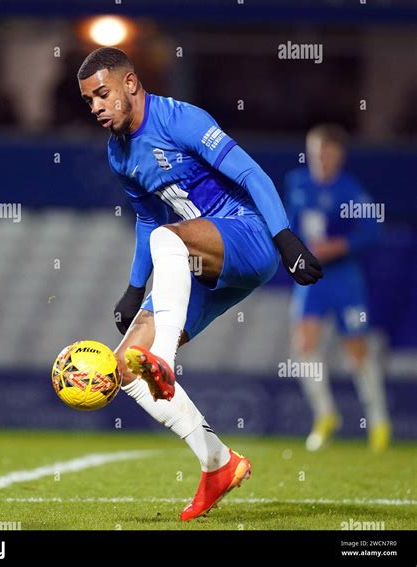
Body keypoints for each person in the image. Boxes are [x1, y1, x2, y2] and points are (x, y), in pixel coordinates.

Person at [77, 47, 322, 521]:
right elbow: (150, 221)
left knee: (170, 251)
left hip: (247, 234)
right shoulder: (118, 154)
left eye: (102, 95)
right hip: (201, 258)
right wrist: (133, 289)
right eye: (89, 101)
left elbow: (251, 172)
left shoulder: (181, 120)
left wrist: (286, 237)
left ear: (130, 84)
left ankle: (163, 360)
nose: (97, 108)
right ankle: (218, 462)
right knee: (125, 369)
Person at [284, 124, 391, 453]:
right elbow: (288, 223)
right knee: (303, 345)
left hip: (346, 279)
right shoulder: (297, 183)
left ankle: (378, 421)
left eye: (327, 152)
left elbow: (373, 230)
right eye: (315, 151)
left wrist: (337, 246)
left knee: (356, 351)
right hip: (312, 279)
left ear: (339, 155)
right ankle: (325, 415)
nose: (320, 158)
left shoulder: (350, 190)